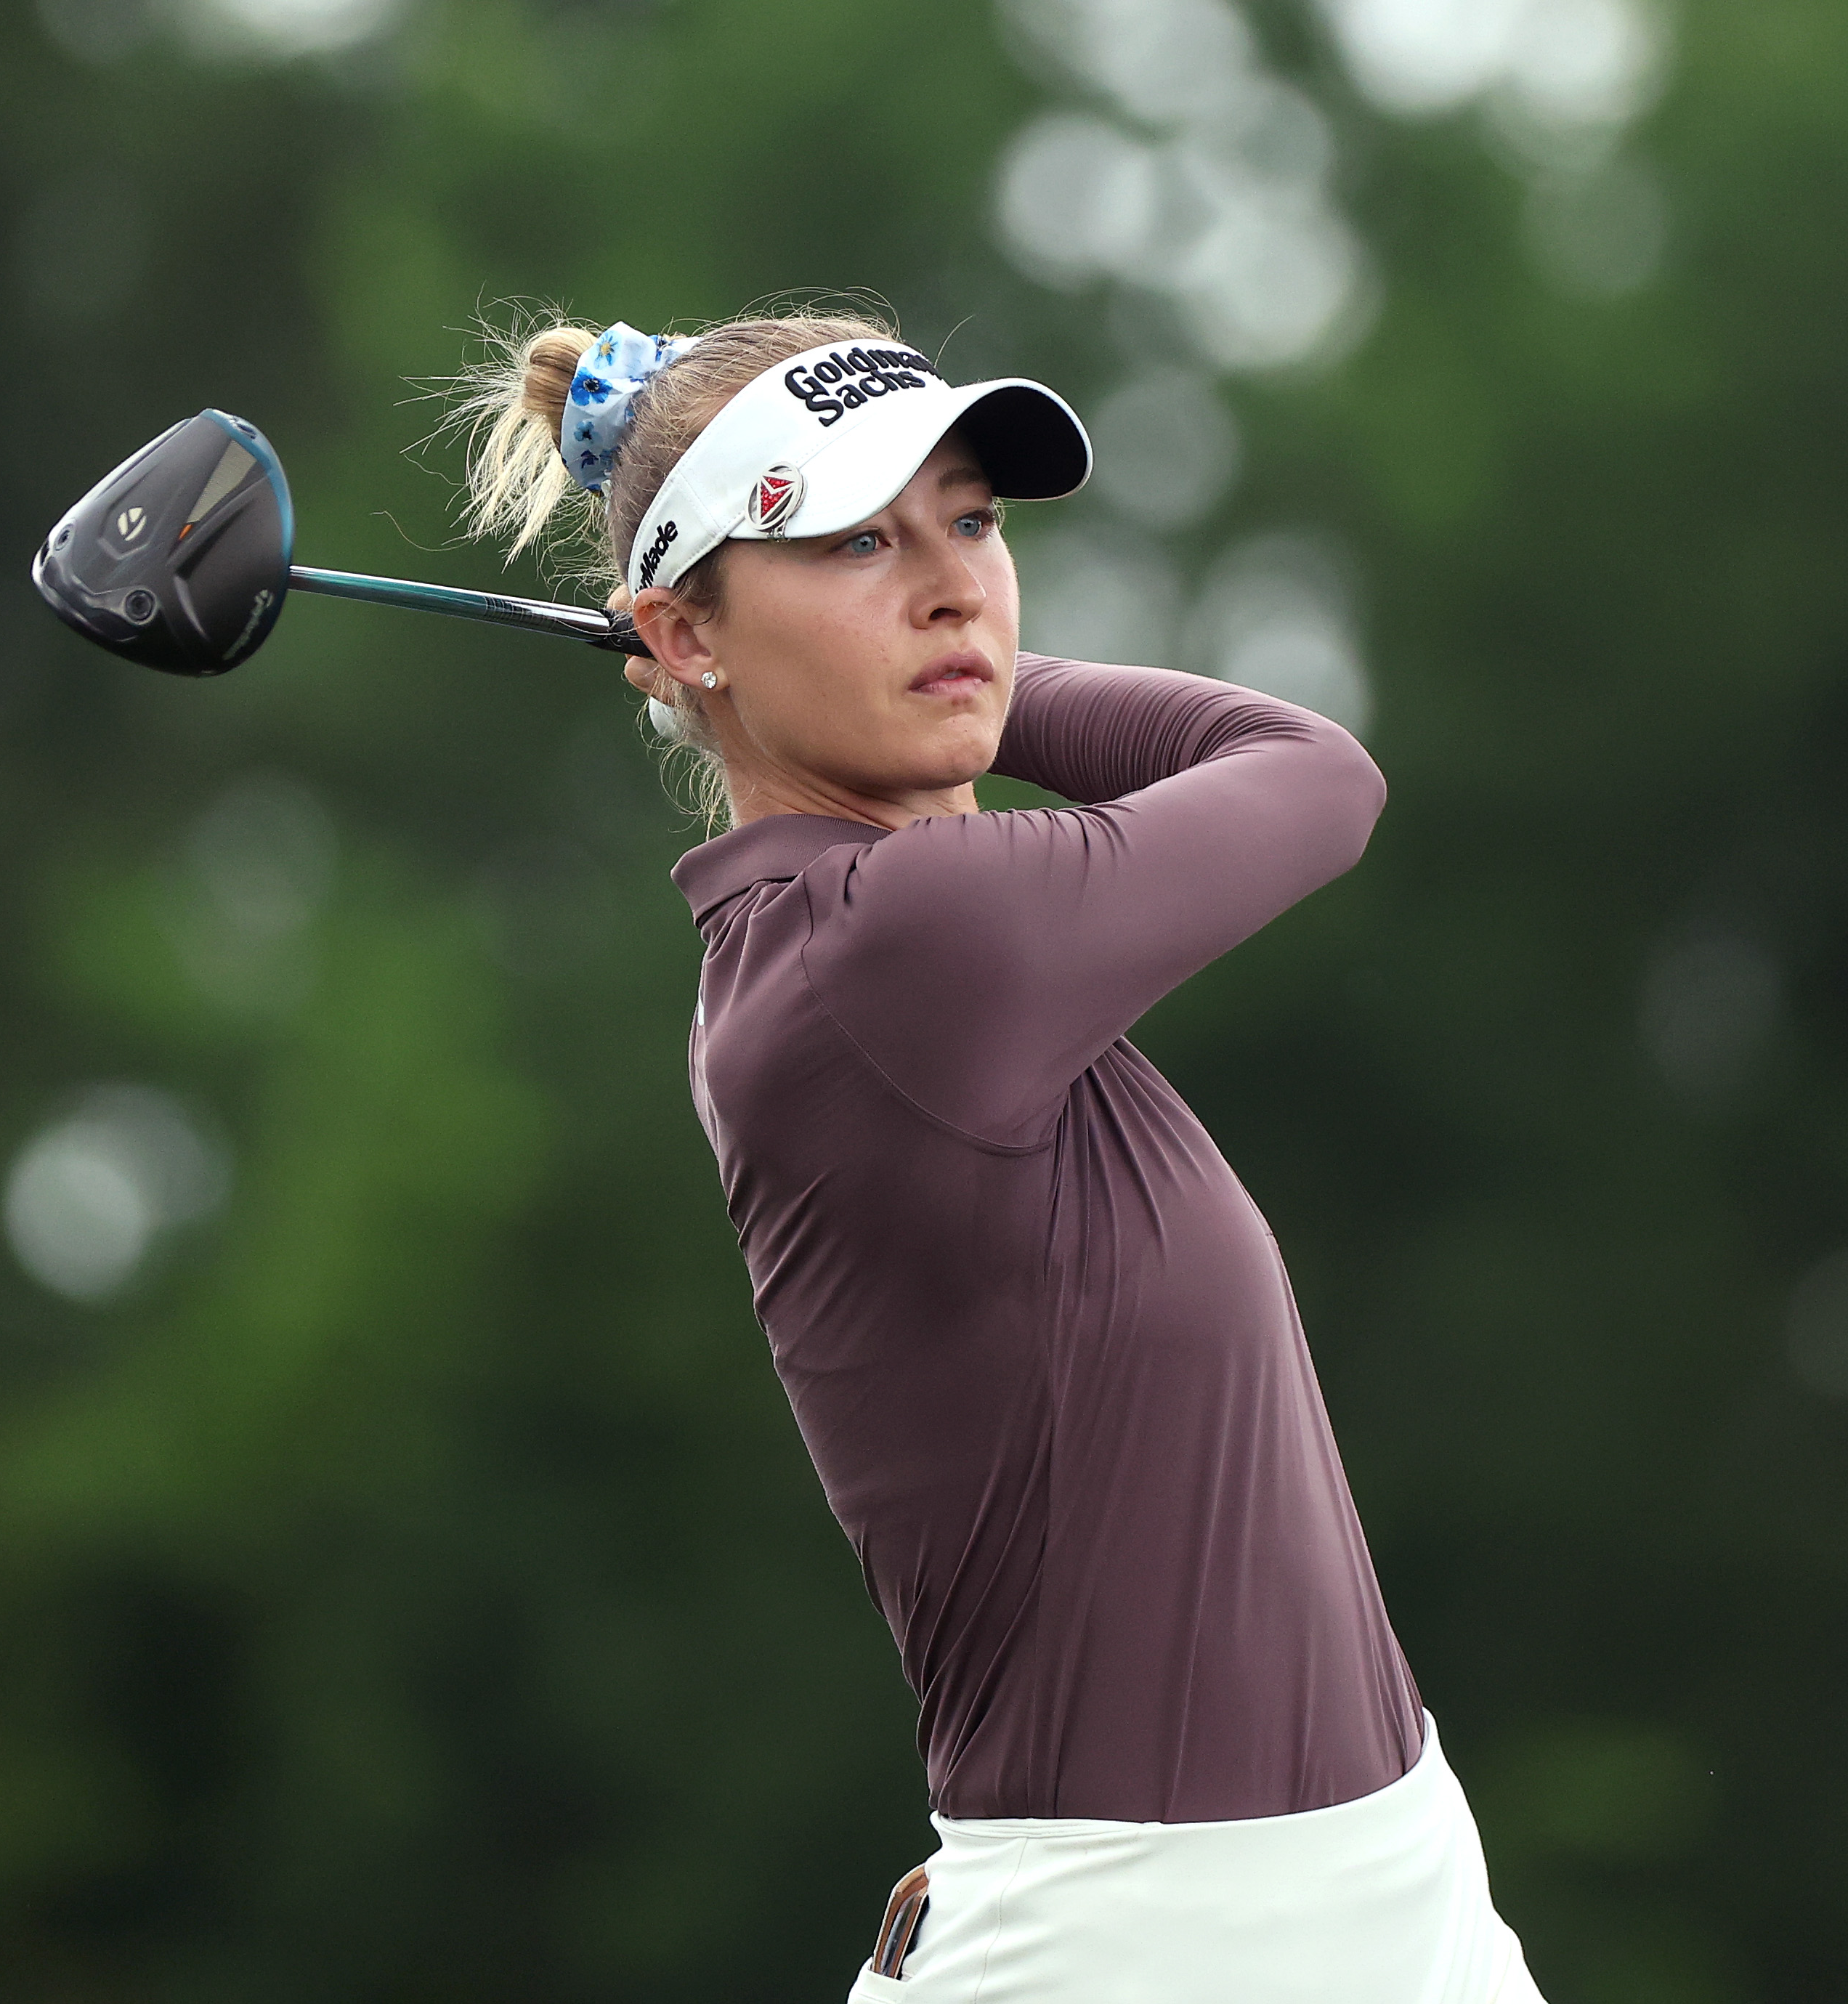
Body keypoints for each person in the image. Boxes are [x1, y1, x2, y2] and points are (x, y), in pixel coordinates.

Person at [458, 307, 1545, 2003]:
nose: (952, 586)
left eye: (967, 523)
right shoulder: (895, 951)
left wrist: (831, 668)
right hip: (1138, 1952)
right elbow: (1310, 772)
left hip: (1396, 1897)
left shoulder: (879, 946)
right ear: (677, 631)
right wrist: (966, 684)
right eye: (851, 541)